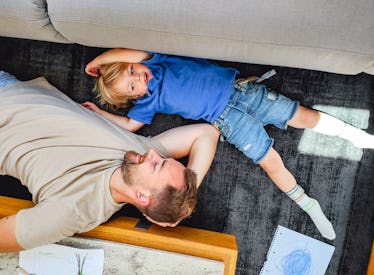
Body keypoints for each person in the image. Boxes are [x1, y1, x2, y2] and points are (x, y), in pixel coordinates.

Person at [83, 48, 374, 240]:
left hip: (243, 92)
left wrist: (99, 62)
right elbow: (130, 125)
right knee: (270, 162)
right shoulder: (148, 103)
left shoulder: (153, 62)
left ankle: (356, 136)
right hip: (226, 120)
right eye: (133, 85)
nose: (138, 77)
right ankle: (308, 203)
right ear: (134, 97)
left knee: (306, 117)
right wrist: (99, 114)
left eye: (132, 70)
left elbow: (128, 54)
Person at [0, 70, 220, 252]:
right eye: (162, 159)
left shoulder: (76, 211)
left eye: (157, 165)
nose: (154, 155)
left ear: (142, 196)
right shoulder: (140, 153)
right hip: (9, 86)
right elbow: (206, 134)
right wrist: (185, 195)